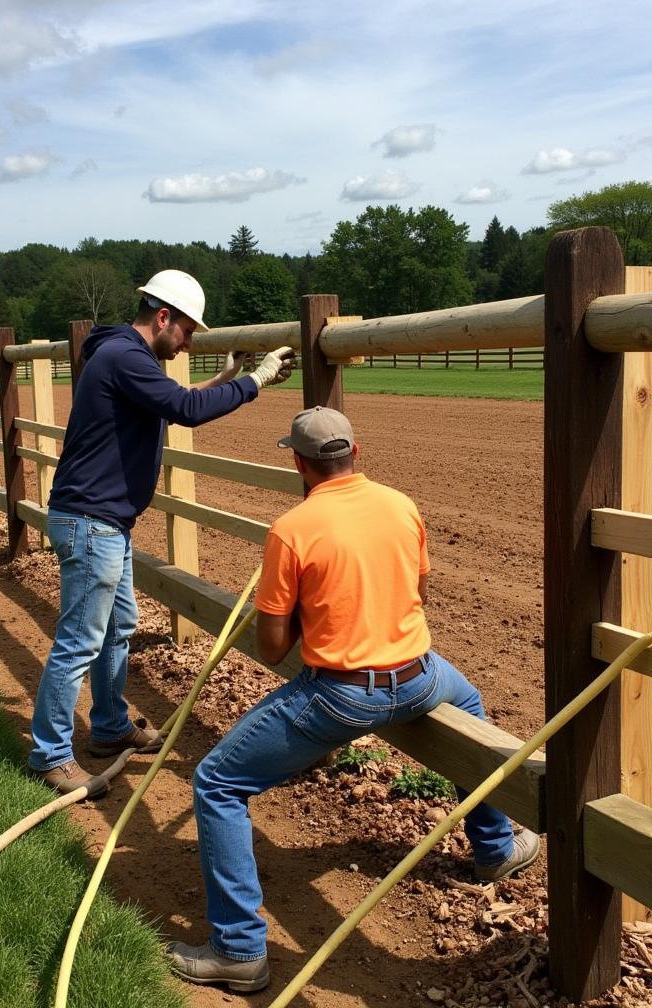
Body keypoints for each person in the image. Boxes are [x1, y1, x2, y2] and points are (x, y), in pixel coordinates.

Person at [169, 405, 540, 993]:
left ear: (298, 461)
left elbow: (269, 649)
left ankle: (238, 949)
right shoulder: (401, 505)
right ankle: (493, 846)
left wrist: (297, 616)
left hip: (344, 696)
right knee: (469, 704)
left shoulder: (292, 529)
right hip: (421, 676)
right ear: (354, 453)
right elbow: (415, 591)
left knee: (216, 783)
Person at [28, 269, 295, 796]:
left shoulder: (123, 357)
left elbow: (168, 401)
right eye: (189, 330)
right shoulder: (125, 356)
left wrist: (222, 382)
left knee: (117, 626)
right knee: (79, 642)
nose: (191, 340)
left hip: (103, 522)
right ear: (164, 317)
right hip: (92, 523)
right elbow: (183, 410)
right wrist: (255, 382)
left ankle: (108, 727)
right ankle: (50, 754)